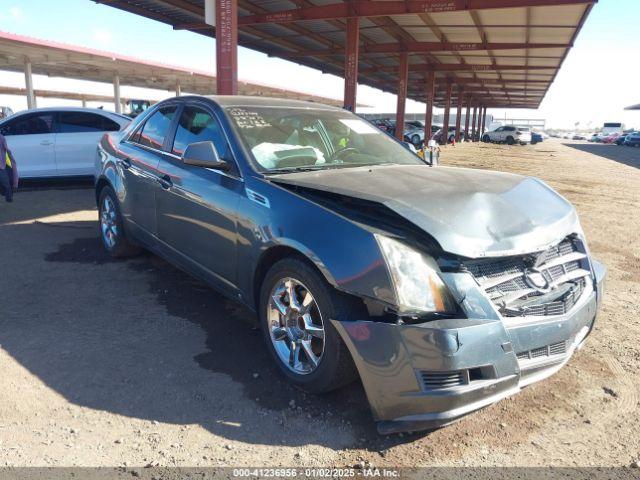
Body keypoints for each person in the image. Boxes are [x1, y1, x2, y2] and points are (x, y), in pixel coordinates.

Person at [0, 132, 18, 203]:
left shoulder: (1, 137)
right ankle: (8, 196)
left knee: (8, 181)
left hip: (3, 163)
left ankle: (8, 197)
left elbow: (6, 149)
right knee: (5, 181)